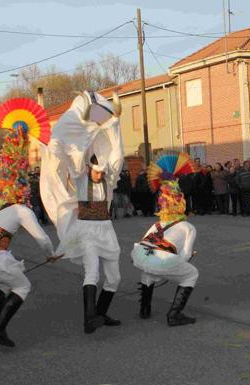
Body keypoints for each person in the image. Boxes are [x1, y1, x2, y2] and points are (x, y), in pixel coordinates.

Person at [0, 126, 58, 350]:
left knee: (3, 286)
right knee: (23, 287)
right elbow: (42, 239)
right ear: (23, 185)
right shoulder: (20, 210)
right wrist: (51, 255)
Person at [42, 91, 124, 334]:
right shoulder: (79, 176)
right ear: (89, 167)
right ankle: (89, 318)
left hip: (106, 229)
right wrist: (55, 144)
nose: (99, 174)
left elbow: (116, 156)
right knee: (92, 272)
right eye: (96, 170)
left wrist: (113, 125)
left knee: (115, 278)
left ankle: (100, 313)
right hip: (86, 230)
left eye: (102, 170)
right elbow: (66, 155)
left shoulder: (109, 179)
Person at [131, 152, 198, 326]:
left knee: (148, 269)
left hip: (142, 256)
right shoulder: (188, 228)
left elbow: (145, 242)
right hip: (163, 261)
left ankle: (144, 309)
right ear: (181, 204)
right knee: (191, 274)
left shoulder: (157, 224)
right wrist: (185, 260)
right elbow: (184, 256)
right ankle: (174, 315)